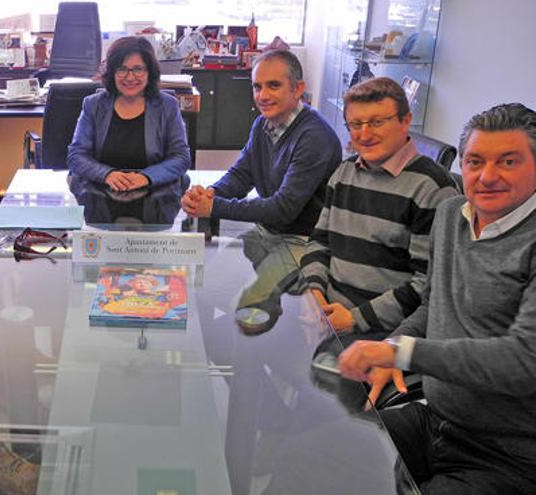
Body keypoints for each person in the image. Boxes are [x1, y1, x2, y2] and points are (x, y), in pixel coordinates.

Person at [339, 103, 536, 494]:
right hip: (435, 419)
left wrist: (401, 353)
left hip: (508, 453)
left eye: (508, 162)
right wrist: (392, 346)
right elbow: (433, 304)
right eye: (475, 162)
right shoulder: (451, 214)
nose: (487, 176)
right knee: (316, 450)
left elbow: (523, 360)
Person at [301, 77, 458, 337]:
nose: (364, 134)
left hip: (383, 333)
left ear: (405, 121)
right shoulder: (343, 172)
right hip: (329, 315)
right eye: (355, 124)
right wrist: (314, 294)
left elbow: (427, 285)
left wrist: (353, 319)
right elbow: (320, 242)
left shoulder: (433, 188)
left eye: (377, 122)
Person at [181, 49, 341, 242]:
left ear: (298, 89)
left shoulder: (315, 138)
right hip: (271, 234)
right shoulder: (262, 124)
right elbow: (241, 175)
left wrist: (214, 206)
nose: (262, 96)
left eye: (273, 86)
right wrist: (210, 194)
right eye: (257, 87)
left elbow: (283, 210)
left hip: (304, 243)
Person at [67, 36, 191, 224]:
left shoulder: (167, 106)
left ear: (149, 72)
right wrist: (106, 174)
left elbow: (181, 158)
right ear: (112, 72)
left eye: (138, 69)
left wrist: (146, 177)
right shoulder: (93, 105)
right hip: (99, 197)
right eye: (122, 69)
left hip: (156, 199)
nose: (130, 77)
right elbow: (76, 155)